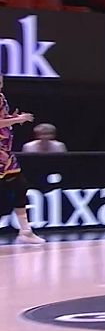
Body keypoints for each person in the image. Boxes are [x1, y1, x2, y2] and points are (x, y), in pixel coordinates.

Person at [0, 74, 46, 245]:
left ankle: (25, 231)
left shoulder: (1, 98)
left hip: (5, 152)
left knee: (20, 186)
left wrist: (13, 119)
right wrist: (18, 119)